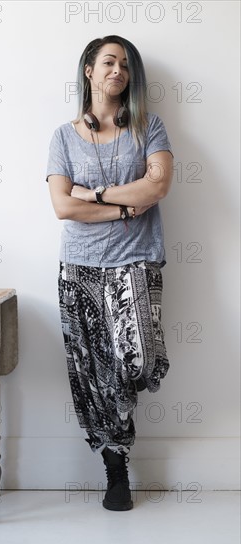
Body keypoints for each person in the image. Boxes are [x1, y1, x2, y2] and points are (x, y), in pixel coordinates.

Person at [46, 35, 173, 512]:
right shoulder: (62, 137)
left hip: (135, 260)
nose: (118, 70)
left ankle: (122, 426)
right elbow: (62, 206)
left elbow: (157, 186)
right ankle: (115, 468)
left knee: (134, 360)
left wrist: (95, 196)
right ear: (89, 71)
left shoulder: (148, 127)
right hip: (78, 267)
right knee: (92, 372)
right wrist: (124, 207)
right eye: (109, 62)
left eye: (125, 64)